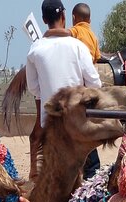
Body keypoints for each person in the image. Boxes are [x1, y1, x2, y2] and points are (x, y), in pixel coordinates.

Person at [25, 0, 101, 182]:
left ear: (44, 19)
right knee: (91, 172)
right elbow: (95, 84)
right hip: (77, 124)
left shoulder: (35, 50)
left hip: (50, 126)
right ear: (65, 17)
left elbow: (34, 88)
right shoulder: (79, 47)